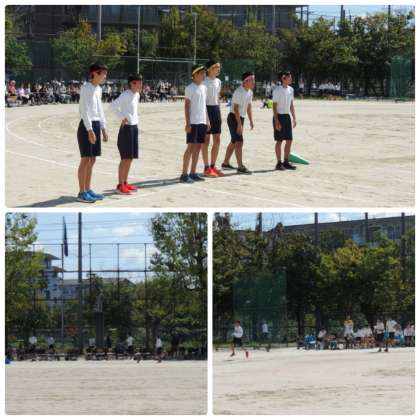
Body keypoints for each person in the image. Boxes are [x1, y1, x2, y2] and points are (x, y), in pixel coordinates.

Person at [77, 62, 109, 203]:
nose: (105, 76)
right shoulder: (86, 88)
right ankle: (81, 192)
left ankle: (88, 189)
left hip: (96, 124)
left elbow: (100, 110)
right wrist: (89, 129)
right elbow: (84, 110)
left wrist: (103, 128)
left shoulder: (99, 89)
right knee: (85, 159)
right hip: (86, 126)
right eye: (103, 73)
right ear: (94, 74)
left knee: (92, 159)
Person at [111, 73, 143, 194]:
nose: (141, 85)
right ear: (132, 83)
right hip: (126, 129)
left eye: (141, 82)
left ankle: (125, 182)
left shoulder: (137, 95)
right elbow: (112, 107)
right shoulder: (125, 95)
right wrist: (122, 117)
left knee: (130, 158)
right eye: (139, 83)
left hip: (134, 127)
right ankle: (120, 185)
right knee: (124, 158)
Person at [180, 64, 209, 183]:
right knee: (191, 147)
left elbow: (204, 106)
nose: (204, 75)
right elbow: (186, 106)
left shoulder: (204, 88)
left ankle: (193, 172)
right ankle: (184, 174)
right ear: (195, 75)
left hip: (202, 121)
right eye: (201, 73)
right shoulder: (189, 88)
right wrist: (188, 123)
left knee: (198, 147)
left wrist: (207, 120)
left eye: (204, 73)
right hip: (193, 122)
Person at [222, 72, 255, 174]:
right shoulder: (239, 92)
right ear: (246, 81)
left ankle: (225, 163)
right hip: (233, 118)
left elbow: (248, 107)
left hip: (241, 118)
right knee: (239, 142)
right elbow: (235, 109)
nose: (254, 82)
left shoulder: (250, 92)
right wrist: (239, 124)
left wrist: (251, 120)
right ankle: (240, 167)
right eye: (252, 80)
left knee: (234, 141)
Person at [201, 60, 224, 178]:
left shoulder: (218, 81)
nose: (219, 69)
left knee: (217, 140)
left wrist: (219, 113)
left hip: (216, 110)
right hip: (206, 110)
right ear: (210, 69)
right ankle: (206, 168)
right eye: (217, 67)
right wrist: (207, 119)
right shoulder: (204, 82)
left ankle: (213, 166)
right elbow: (203, 102)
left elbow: (217, 98)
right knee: (206, 141)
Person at [272, 71, 297, 171]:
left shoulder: (291, 89)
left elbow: (291, 105)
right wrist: (277, 121)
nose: (291, 79)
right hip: (279, 117)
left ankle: (286, 162)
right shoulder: (277, 90)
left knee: (289, 140)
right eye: (289, 77)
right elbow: (274, 106)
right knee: (279, 141)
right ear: (283, 78)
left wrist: (294, 118)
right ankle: (279, 163)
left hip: (287, 117)